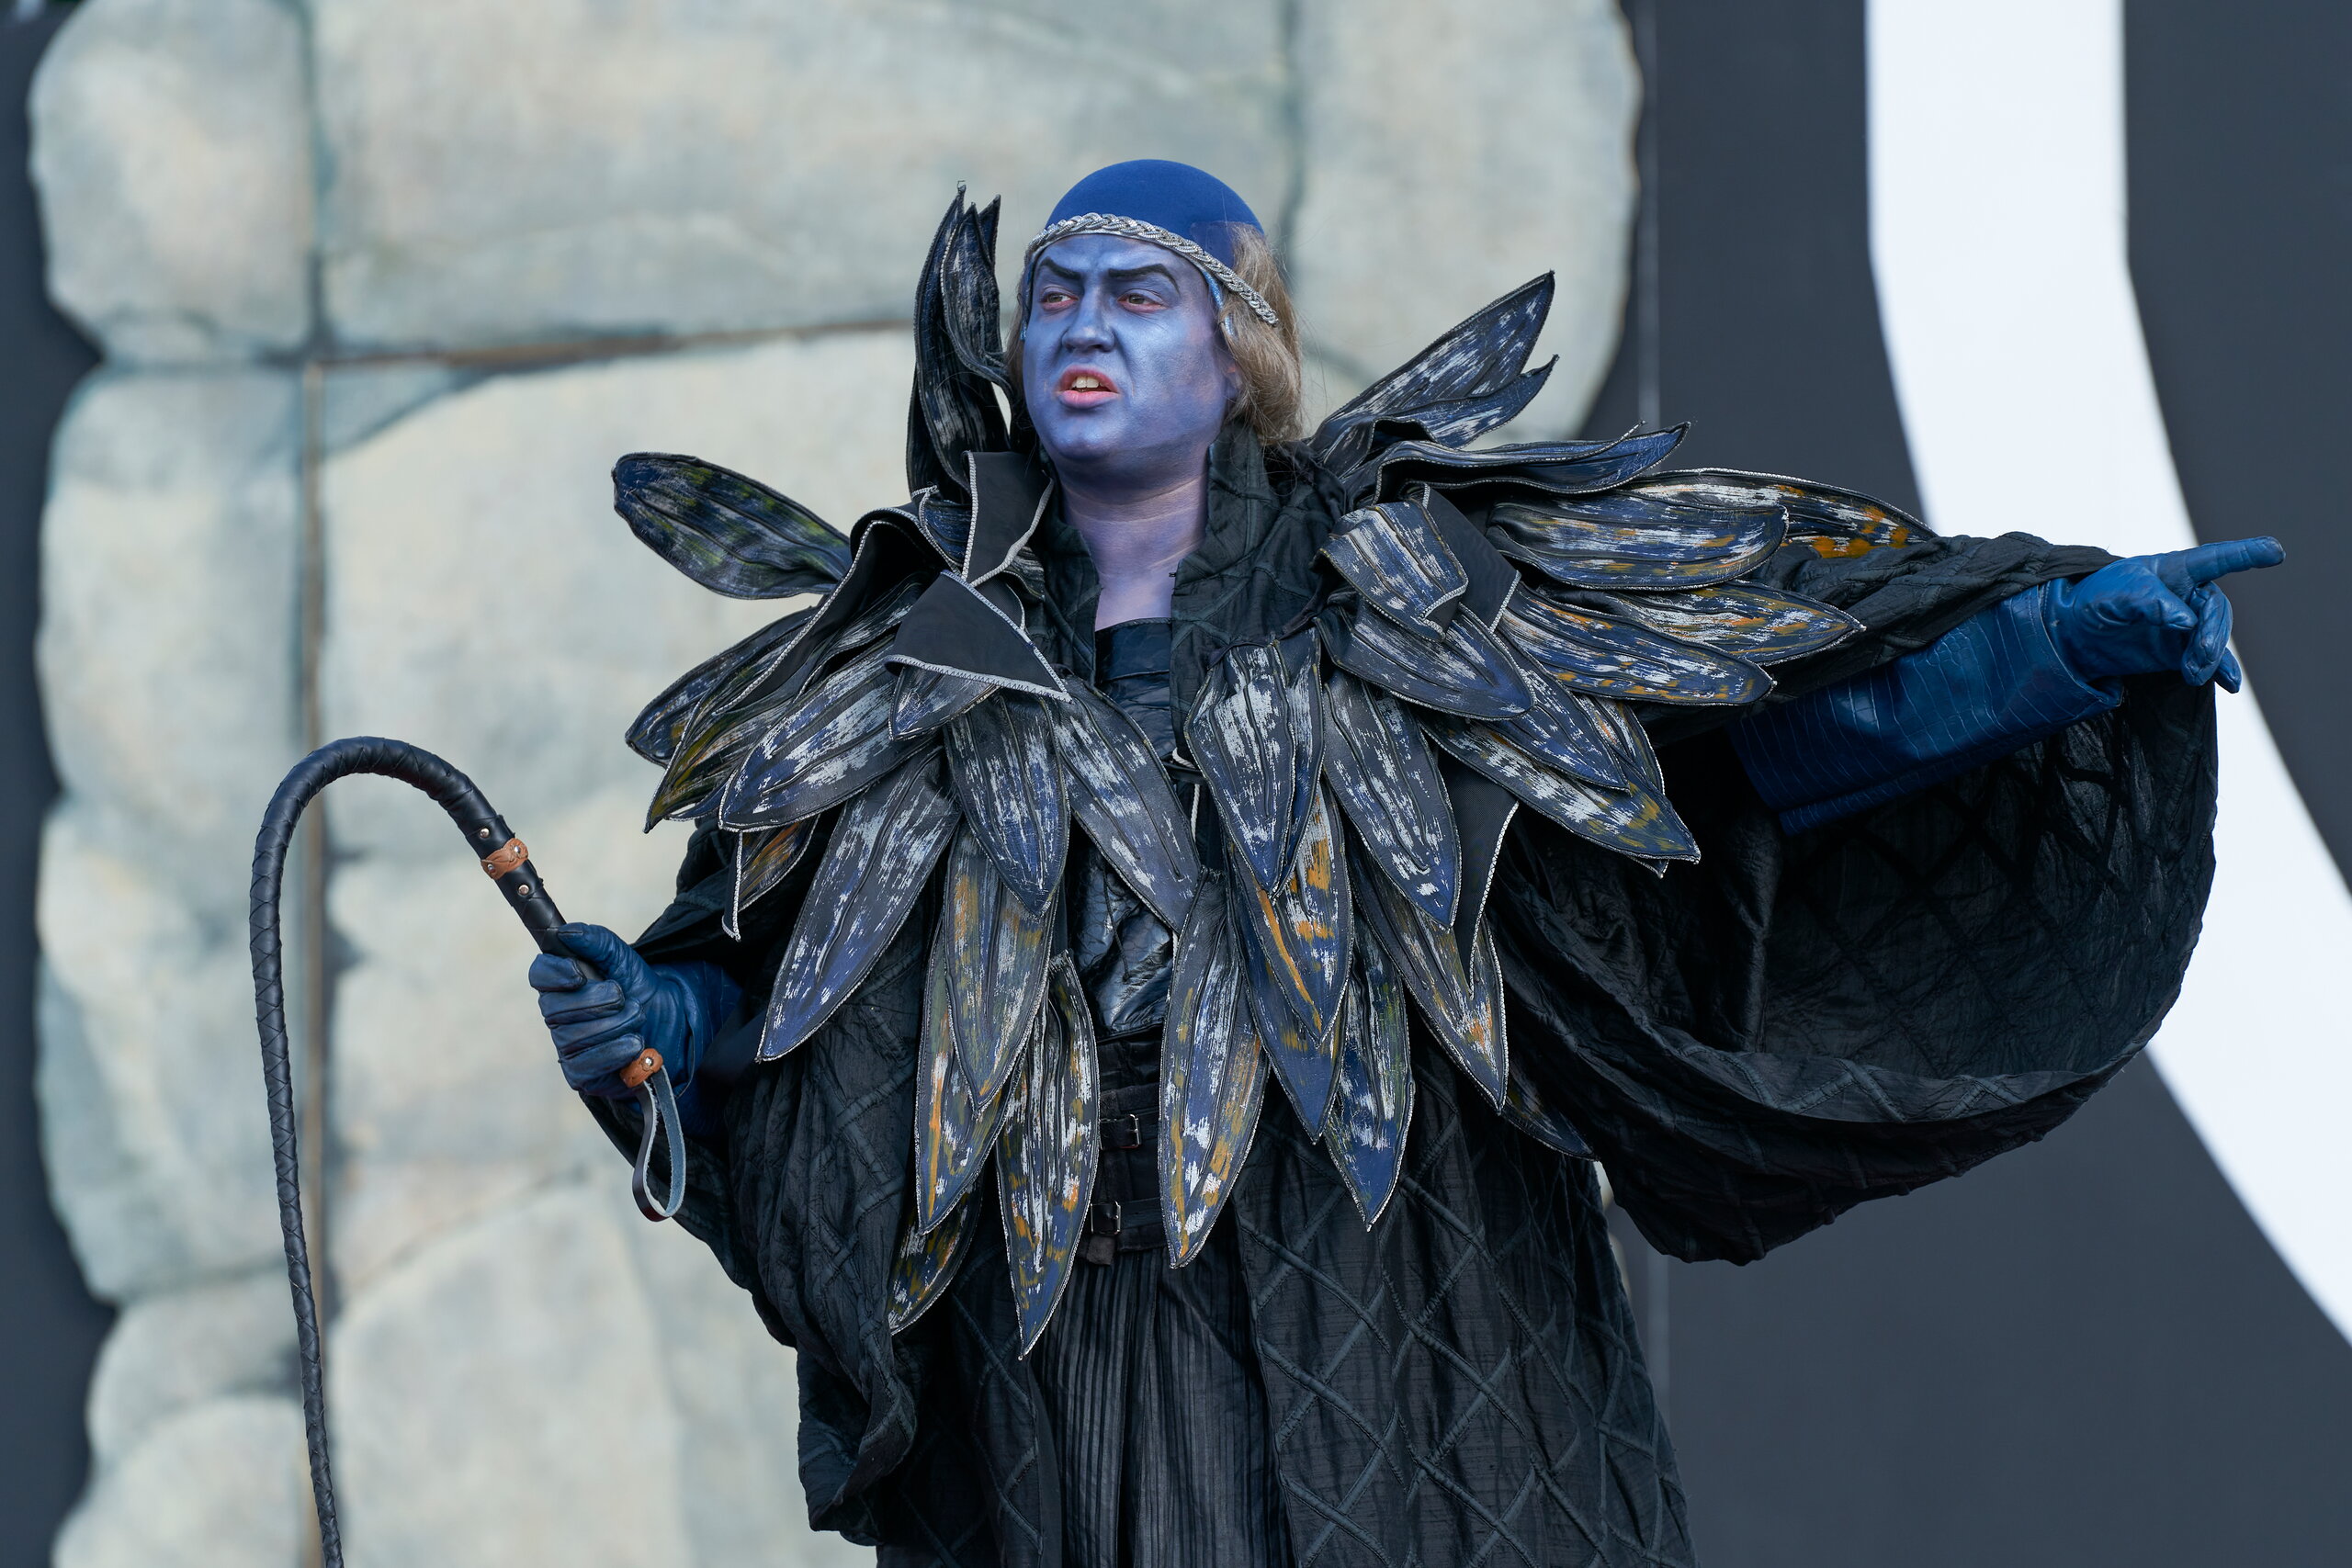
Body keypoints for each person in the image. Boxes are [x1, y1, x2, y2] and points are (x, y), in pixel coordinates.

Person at [529, 162, 2279, 1566]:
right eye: (1053, 292)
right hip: (1051, 1371)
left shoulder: (1421, 599)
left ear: (1241, 354)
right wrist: (656, 1021)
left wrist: (2052, 650)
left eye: (1137, 291)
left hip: (1397, 1311)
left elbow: (1745, 756)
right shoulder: (903, 654)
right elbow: (780, 1000)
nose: (1081, 324)